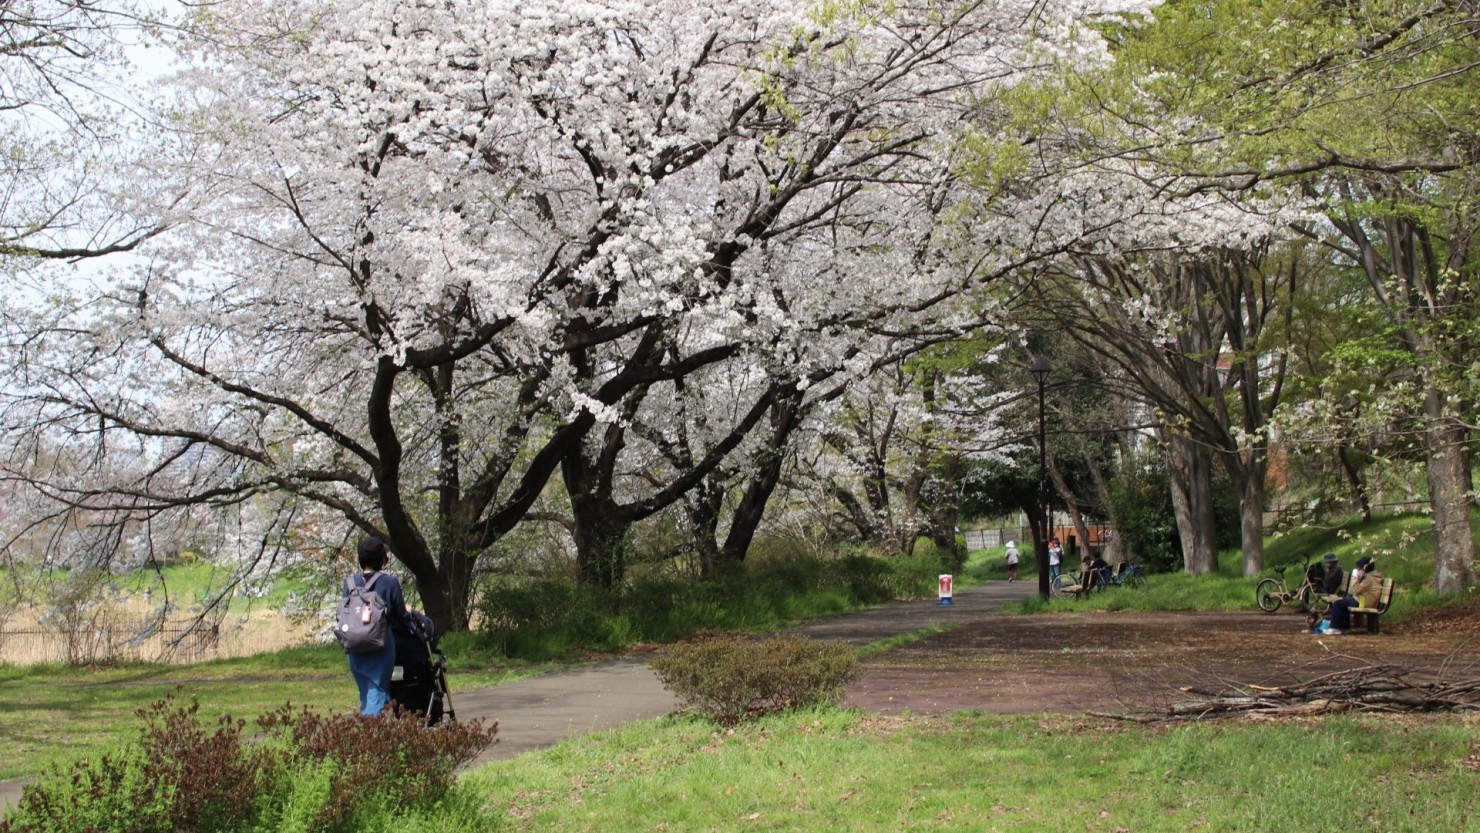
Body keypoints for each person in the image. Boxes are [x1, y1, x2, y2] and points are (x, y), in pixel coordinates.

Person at [345, 536, 410, 716]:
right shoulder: (389, 582)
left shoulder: (349, 583)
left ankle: (377, 733)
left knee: (366, 693)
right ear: (382, 558)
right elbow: (401, 616)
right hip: (379, 646)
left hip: (354, 647)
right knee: (377, 690)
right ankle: (371, 735)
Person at [1322, 556, 1383, 635]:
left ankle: (1335, 628)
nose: (1358, 569)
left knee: (1338, 603)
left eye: (1359, 568)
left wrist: (1355, 576)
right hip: (1363, 600)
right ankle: (1344, 628)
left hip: (1364, 602)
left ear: (1365, 568)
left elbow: (1355, 589)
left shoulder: (1370, 579)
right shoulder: (1371, 577)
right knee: (1342, 602)